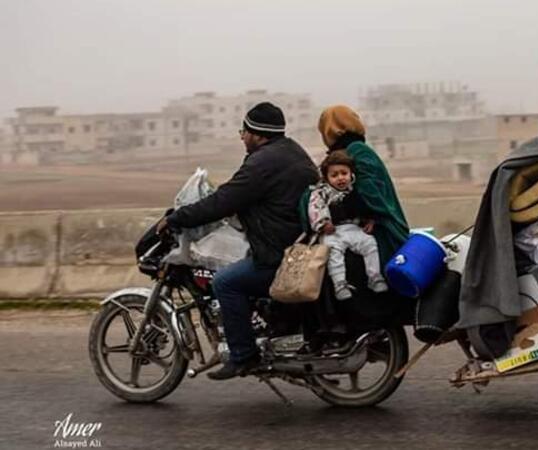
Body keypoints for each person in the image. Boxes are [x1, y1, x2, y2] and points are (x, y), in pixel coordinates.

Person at [157, 102, 319, 380]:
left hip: (279, 253)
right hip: (295, 244)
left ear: (257, 133)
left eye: (244, 131)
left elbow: (225, 199)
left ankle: (243, 355)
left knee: (225, 282)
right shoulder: (291, 151)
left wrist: (177, 218)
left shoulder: (263, 162)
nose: (242, 137)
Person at [300, 105, 409, 270]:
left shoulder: (358, 151)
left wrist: (365, 214)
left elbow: (370, 192)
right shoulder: (343, 153)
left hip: (381, 234)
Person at [308, 150, 389, 300]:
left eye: (344, 173)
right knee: (333, 252)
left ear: (351, 173)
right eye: (334, 175)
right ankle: (339, 284)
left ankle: (375, 277)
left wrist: (369, 221)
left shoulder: (355, 191)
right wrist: (323, 223)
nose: (340, 178)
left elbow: (364, 209)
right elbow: (315, 209)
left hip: (353, 228)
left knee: (370, 243)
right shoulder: (321, 193)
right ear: (326, 177)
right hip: (332, 231)